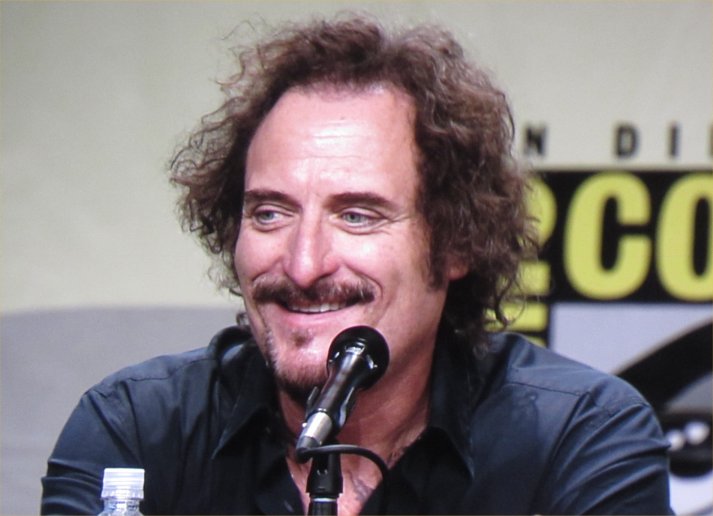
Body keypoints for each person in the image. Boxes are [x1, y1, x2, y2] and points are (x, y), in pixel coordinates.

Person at [41, 14, 672, 515]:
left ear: (456, 242)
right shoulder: (137, 430)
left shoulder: (576, 436)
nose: (303, 264)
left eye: (358, 216)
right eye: (270, 213)